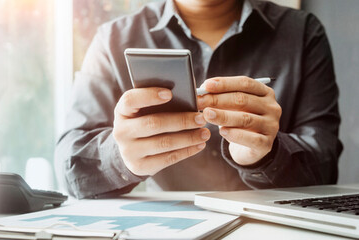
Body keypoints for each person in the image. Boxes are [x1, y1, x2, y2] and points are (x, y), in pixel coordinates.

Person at [56, 0, 341, 199]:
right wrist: (121, 158)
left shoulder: (302, 33)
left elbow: (326, 169)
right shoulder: (112, 39)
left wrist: (267, 155)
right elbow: (70, 166)